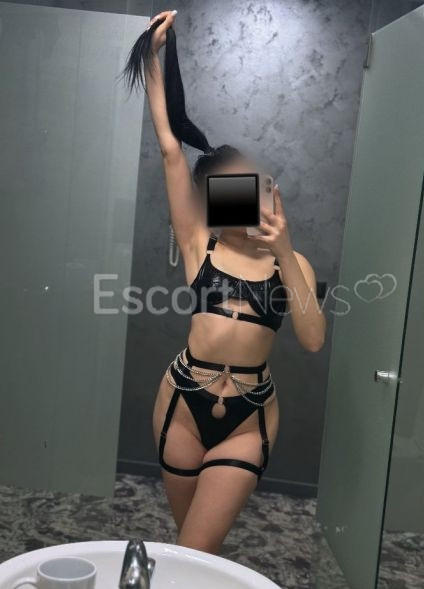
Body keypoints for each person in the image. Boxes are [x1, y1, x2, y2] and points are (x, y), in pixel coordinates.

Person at [121, 10, 326, 555]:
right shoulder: (200, 244)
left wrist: (283, 248)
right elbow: (171, 146)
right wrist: (154, 56)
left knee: (198, 549)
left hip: (250, 416)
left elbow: (312, 339)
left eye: (252, 187)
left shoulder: (294, 263)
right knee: (190, 552)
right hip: (182, 403)